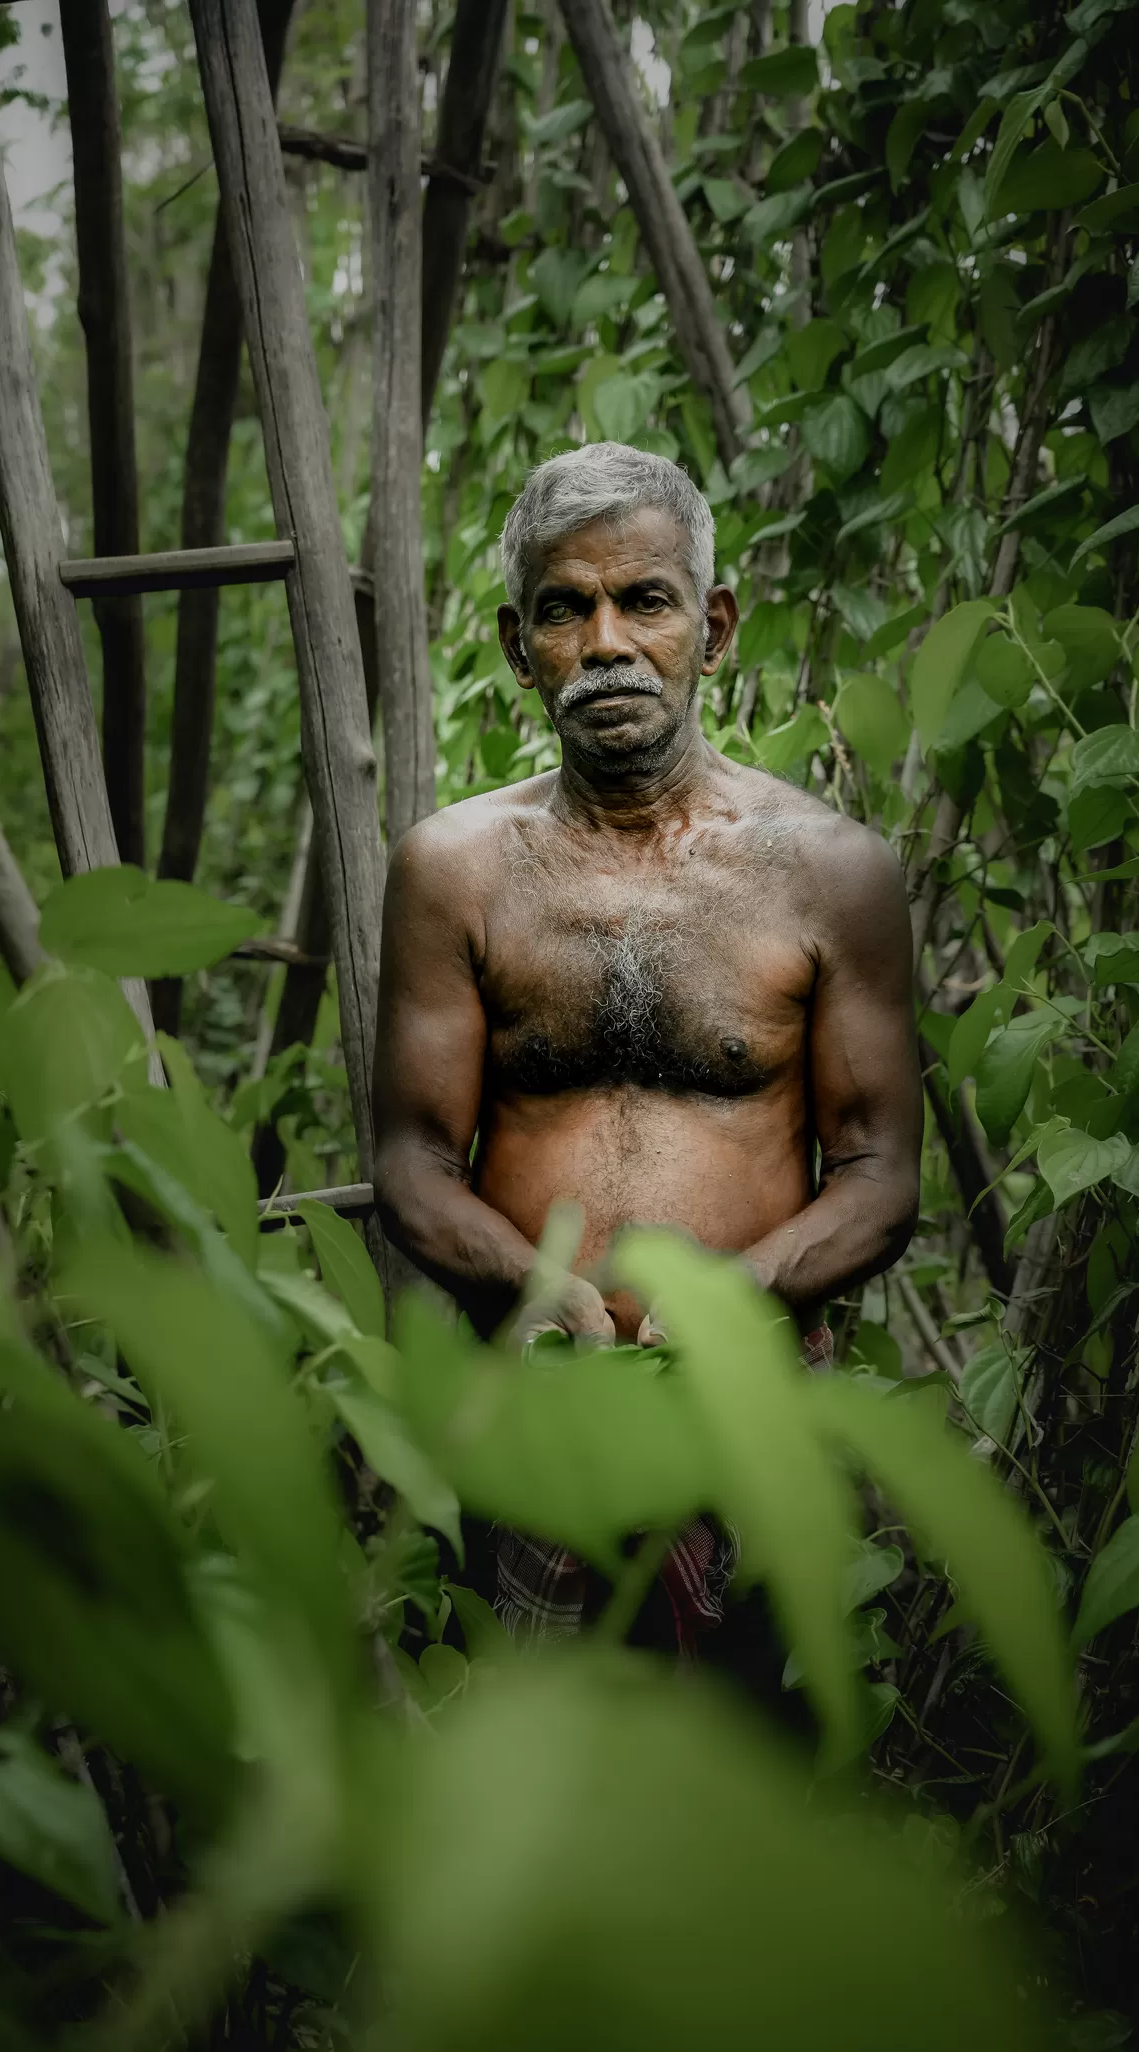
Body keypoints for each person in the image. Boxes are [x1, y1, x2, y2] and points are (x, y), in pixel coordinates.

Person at [372, 442, 922, 1658]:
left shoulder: (832, 873)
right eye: (566, 609)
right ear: (521, 648)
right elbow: (411, 1160)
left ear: (713, 628)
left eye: (646, 601)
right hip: (530, 1405)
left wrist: (736, 1299)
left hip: (753, 1408)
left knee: (749, 1779)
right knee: (534, 1785)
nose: (607, 642)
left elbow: (882, 1177)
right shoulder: (453, 872)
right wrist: (539, 1286)